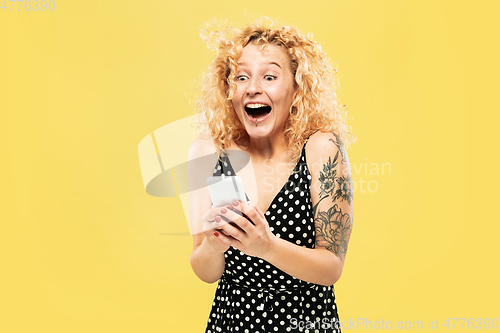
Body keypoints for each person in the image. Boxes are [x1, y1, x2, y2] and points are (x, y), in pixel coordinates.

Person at [188, 18, 355, 333]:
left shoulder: (322, 148)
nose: (253, 88)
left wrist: (265, 246)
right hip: (231, 322)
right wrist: (213, 244)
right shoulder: (207, 152)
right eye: (241, 77)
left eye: (269, 76)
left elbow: (331, 267)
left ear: (296, 88)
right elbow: (204, 270)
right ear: (228, 89)